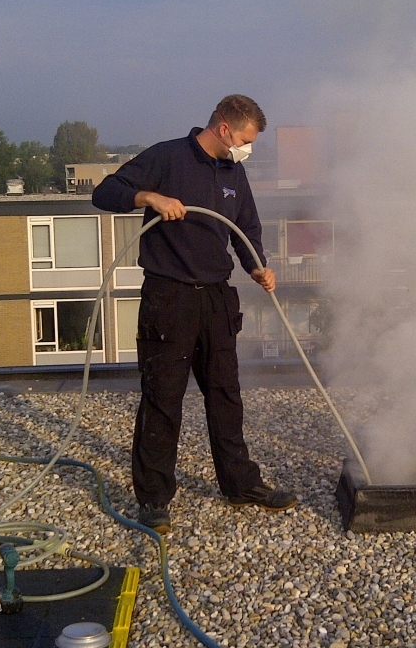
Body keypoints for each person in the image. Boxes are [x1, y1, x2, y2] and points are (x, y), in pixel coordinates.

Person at [91, 94, 296, 534]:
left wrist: (258, 266)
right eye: (245, 140)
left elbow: (247, 230)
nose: (247, 149)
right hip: (170, 297)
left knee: (225, 395)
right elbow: (104, 192)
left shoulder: (233, 172)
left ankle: (240, 484)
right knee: (163, 398)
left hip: (217, 299)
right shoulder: (166, 157)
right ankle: (154, 499)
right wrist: (150, 197)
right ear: (224, 128)